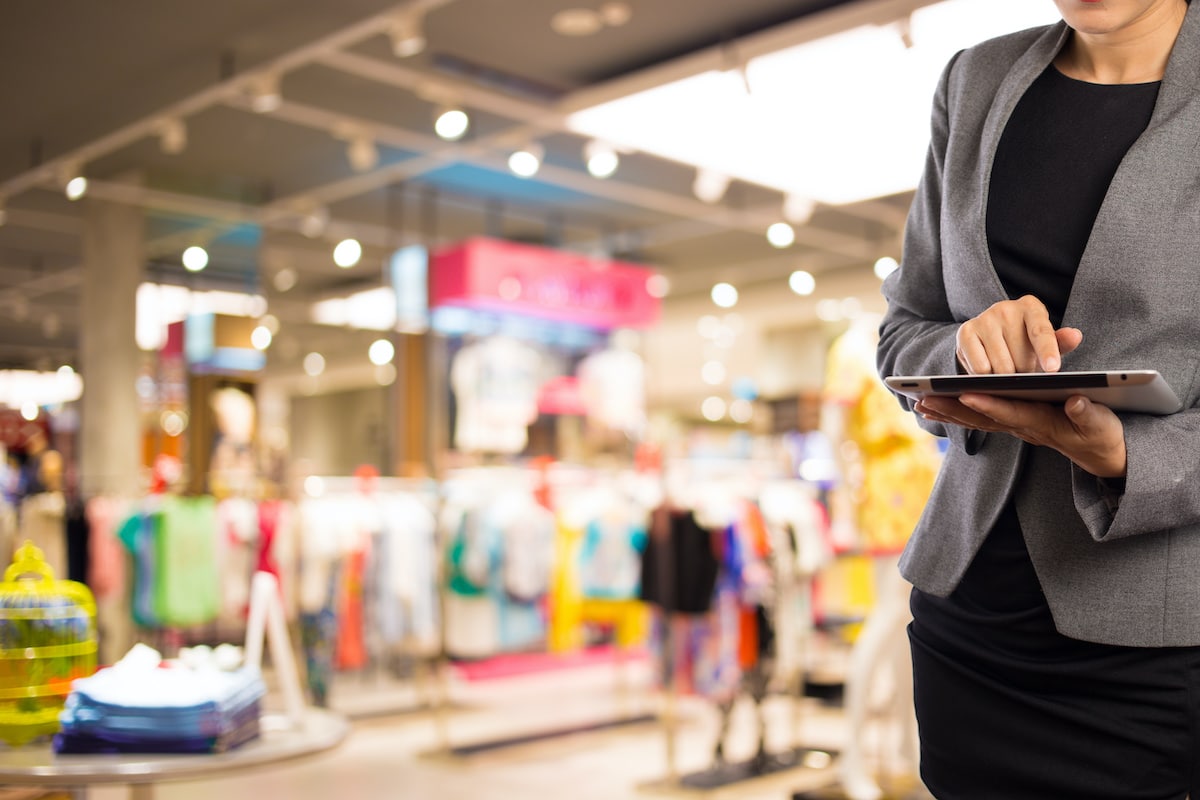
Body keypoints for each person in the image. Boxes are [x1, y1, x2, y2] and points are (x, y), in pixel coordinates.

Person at [876, 1, 1200, 798]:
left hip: (1160, 639)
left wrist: (1133, 457)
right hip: (973, 619)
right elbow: (901, 331)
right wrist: (960, 349)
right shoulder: (975, 79)